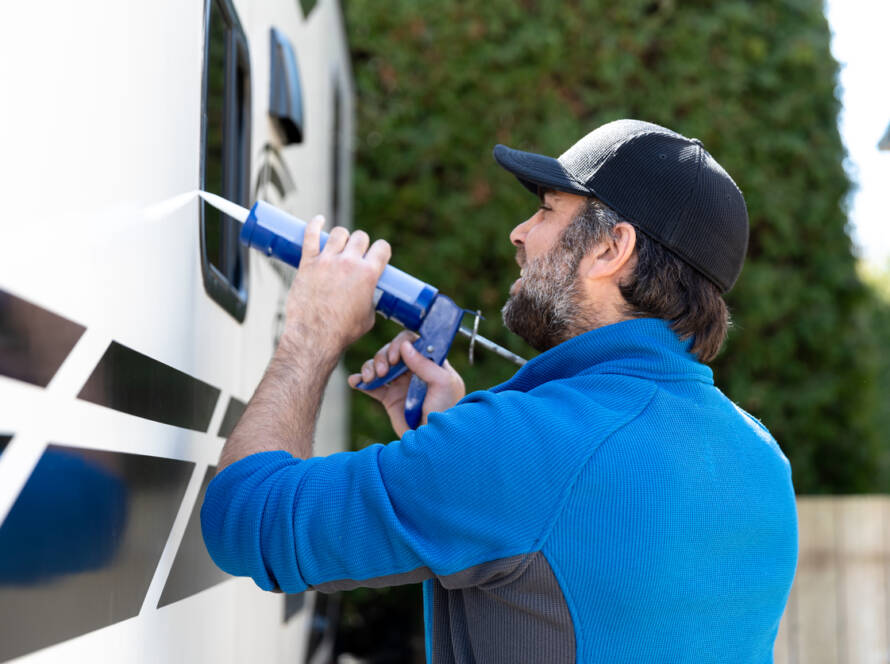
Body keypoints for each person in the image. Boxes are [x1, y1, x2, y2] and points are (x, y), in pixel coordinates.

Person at [201, 119, 798, 663]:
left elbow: (244, 522)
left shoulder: (519, 447)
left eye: (546, 210)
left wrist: (310, 334)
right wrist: (446, 440)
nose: (520, 232)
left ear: (610, 249)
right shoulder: (762, 458)